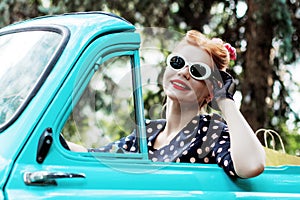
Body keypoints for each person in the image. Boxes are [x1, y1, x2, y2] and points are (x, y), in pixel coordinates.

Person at [67, 30, 265, 178]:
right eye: (178, 62)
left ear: (209, 91)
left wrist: (224, 100)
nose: (184, 72)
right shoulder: (146, 132)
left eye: (197, 71)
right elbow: (93, 158)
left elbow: (251, 165)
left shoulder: (210, 131)